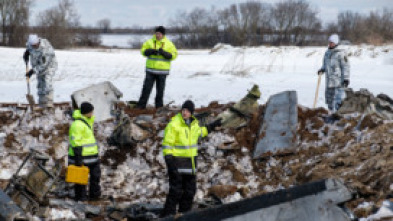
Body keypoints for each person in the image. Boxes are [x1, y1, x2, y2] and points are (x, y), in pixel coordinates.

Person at [160, 100, 222, 217]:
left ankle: (184, 214)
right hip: (177, 164)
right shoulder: (174, 124)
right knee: (175, 191)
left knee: (190, 191)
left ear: (192, 112)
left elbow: (200, 133)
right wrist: (169, 161)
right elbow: (167, 144)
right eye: (183, 110)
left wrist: (212, 126)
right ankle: (167, 216)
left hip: (190, 164)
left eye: (187, 111)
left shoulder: (194, 124)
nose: (185, 113)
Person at [137, 26, 178, 109]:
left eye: (159, 34)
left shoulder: (169, 43)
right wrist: (150, 51)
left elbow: (174, 55)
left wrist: (165, 53)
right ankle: (141, 106)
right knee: (146, 89)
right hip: (150, 71)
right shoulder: (149, 42)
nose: (157, 35)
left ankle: (159, 108)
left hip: (162, 72)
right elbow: (142, 51)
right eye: (156, 33)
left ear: (163, 34)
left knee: (160, 91)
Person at [68, 102, 101, 201]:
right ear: (86, 112)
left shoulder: (87, 121)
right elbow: (76, 142)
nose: (92, 113)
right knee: (81, 179)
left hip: (92, 157)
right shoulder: (77, 125)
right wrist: (78, 158)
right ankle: (80, 198)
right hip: (82, 157)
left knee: (95, 177)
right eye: (91, 111)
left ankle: (94, 196)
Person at [318, 34, 350, 113]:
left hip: (338, 82)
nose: (330, 43)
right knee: (329, 100)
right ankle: (330, 114)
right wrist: (322, 69)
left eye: (332, 42)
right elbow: (325, 64)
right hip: (329, 81)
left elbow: (346, 66)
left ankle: (337, 115)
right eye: (329, 42)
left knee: (337, 100)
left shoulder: (341, 53)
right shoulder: (327, 53)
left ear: (336, 43)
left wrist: (346, 78)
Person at [23, 34, 58, 108]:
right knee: (40, 85)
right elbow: (29, 48)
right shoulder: (30, 45)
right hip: (37, 66)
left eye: (35, 45)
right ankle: (42, 103)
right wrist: (26, 53)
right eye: (32, 45)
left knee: (47, 84)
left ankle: (49, 104)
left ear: (38, 42)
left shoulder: (46, 49)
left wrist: (32, 71)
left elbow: (44, 65)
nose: (34, 47)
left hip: (49, 67)